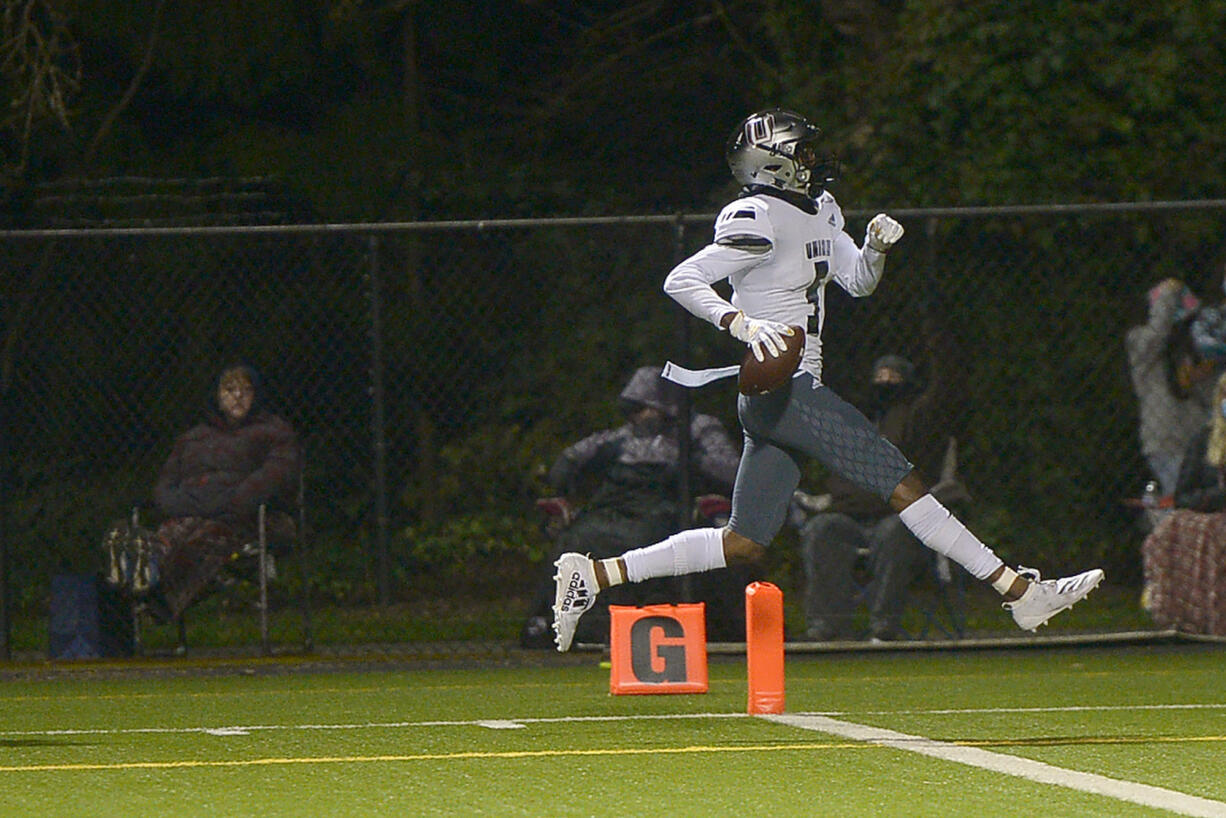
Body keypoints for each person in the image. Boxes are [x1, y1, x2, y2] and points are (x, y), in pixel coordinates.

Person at [550, 108, 1103, 652]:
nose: (814, 159)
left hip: (784, 393)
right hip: (784, 387)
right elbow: (682, 277)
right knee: (902, 481)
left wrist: (876, 251)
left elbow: (857, 282)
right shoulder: (755, 214)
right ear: (772, 164)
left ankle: (595, 576)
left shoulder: (820, 208)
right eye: (802, 152)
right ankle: (1019, 590)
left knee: (743, 541)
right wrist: (740, 322)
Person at [521, 365, 741, 648]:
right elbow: (571, 458)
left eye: (646, 408)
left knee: (642, 539)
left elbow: (732, 471)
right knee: (575, 540)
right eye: (635, 409)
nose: (641, 416)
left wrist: (692, 458)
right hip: (615, 504)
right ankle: (570, 626)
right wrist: (574, 465)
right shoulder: (624, 436)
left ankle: (638, 625)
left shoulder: (697, 428)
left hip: (666, 505)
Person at [797, 332, 971, 641]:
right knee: (821, 529)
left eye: (894, 377)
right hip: (850, 516)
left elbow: (943, 391)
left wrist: (938, 345)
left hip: (898, 517)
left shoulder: (918, 420)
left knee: (895, 532)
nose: (885, 382)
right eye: (880, 376)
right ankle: (828, 625)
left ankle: (883, 624)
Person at [103, 363, 301, 621]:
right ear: (217, 397)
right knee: (172, 534)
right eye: (229, 390)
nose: (238, 396)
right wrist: (181, 505)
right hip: (194, 513)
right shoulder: (193, 438)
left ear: (257, 395)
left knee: (205, 539)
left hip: (253, 518)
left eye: (245, 390)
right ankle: (143, 559)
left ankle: (152, 597)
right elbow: (165, 485)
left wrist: (229, 501)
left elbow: (274, 476)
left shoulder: (275, 432)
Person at [1140, 371, 1226, 635]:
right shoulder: (1203, 441)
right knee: (1176, 526)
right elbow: (1184, 497)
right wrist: (1218, 494)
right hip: (1215, 514)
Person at [1125, 278, 1207, 497]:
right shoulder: (1140, 342)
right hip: (1166, 443)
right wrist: (1168, 295)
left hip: (1196, 443)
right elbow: (1157, 335)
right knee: (1182, 501)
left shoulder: (1187, 352)